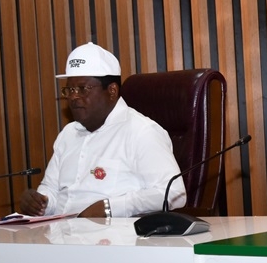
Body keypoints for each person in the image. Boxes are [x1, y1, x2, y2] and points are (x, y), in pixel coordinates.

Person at [18, 42, 186, 218]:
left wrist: (111, 208)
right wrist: (40, 202)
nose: (74, 97)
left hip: (114, 240)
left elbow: (174, 193)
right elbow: (51, 190)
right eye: (70, 89)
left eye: (83, 89)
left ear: (112, 91)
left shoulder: (141, 132)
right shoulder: (68, 134)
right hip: (61, 237)